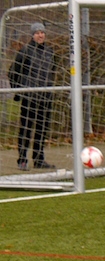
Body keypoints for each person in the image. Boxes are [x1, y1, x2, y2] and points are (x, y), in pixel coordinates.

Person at [8, 22, 56, 170]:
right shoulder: (25, 51)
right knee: (26, 128)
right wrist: (18, 90)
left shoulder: (49, 52)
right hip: (30, 97)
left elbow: (52, 72)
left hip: (45, 97)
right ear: (32, 35)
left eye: (42, 32)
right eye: (37, 33)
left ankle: (39, 159)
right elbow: (13, 72)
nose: (40, 35)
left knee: (42, 129)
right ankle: (22, 159)